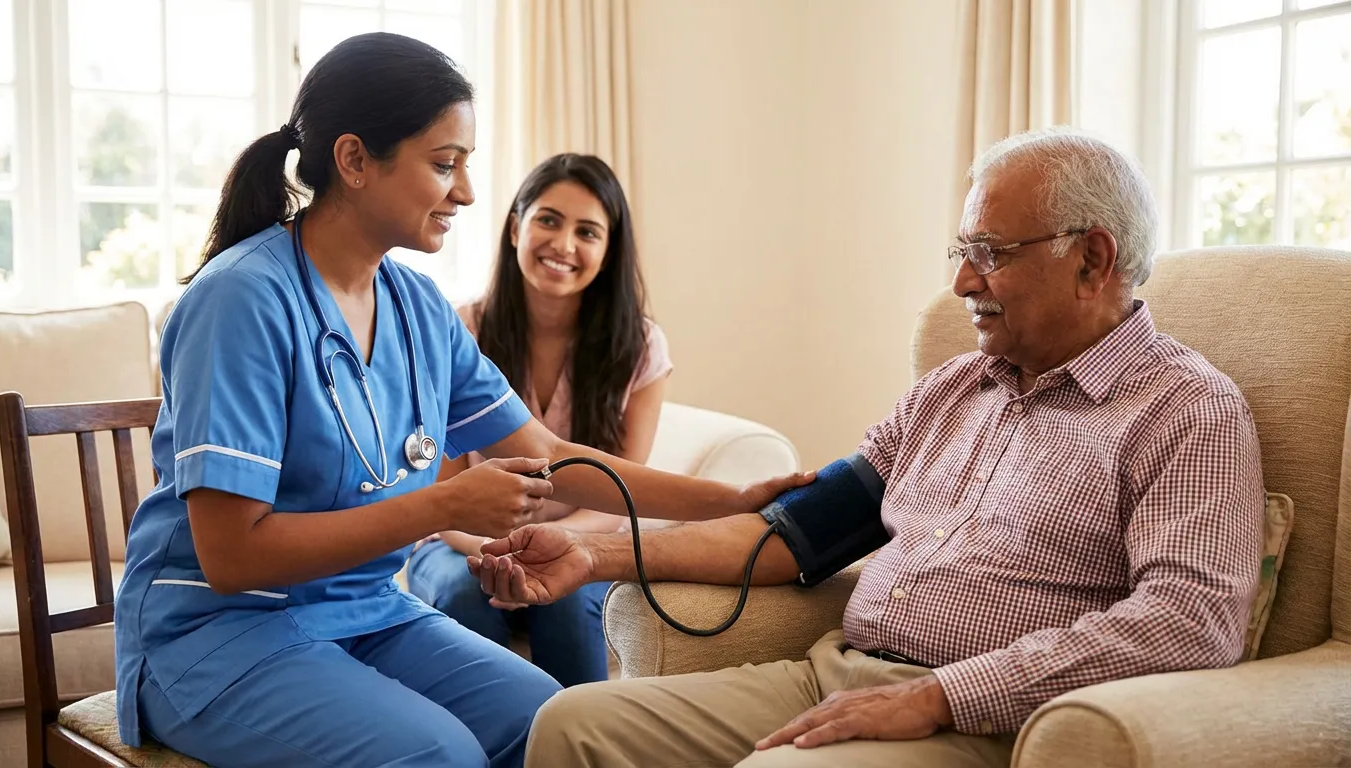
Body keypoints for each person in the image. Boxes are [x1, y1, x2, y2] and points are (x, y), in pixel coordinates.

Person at [112, 32, 809, 768]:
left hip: (367, 612)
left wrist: (736, 502)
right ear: (353, 161)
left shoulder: (417, 306)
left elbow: (550, 459)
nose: (469, 193)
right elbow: (230, 556)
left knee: (559, 724)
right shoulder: (242, 301)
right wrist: (443, 507)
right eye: (445, 165)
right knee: (440, 756)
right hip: (215, 634)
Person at [470, 127, 1267, 768]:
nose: (962, 284)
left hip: (983, 721)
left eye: (990, 253)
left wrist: (943, 697)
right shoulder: (954, 388)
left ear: (1091, 259)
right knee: (572, 723)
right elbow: (791, 535)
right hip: (833, 673)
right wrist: (593, 560)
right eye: (962, 252)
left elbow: (1188, 623)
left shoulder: (1185, 410)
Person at [406, 153, 670, 687]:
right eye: (548, 220)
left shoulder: (640, 347)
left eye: (588, 231)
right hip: (462, 541)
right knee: (464, 593)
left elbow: (621, 496)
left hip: (587, 541)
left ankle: (573, 748)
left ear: (608, 250)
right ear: (514, 227)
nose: (564, 245)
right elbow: (442, 490)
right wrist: (496, 551)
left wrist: (557, 547)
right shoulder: (462, 331)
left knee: (567, 604)